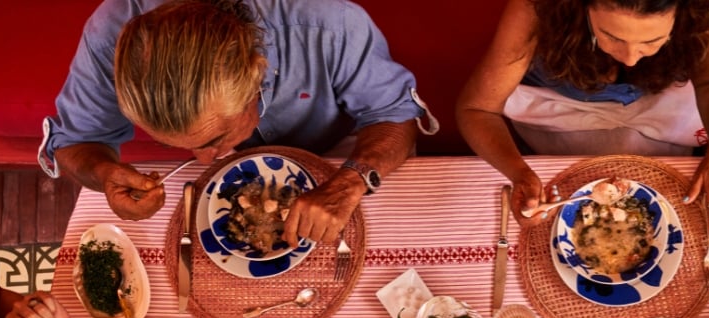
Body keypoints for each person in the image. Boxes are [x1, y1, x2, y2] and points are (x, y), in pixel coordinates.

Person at [42, 0, 431, 244]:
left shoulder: (328, 22)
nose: (202, 160)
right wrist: (102, 171)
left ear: (257, 75)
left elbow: (395, 114)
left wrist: (351, 181)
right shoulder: (113, 31)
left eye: (217, 136)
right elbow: (75, 140)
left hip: (342, 154)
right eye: (177, 143)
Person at [457, 0, 709, 240]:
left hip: (662, 105)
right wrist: (520, 173)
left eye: (653, 41)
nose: (630, 59)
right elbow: (476, 109)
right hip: (559, 109)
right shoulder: (537, 5)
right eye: (612, 37)